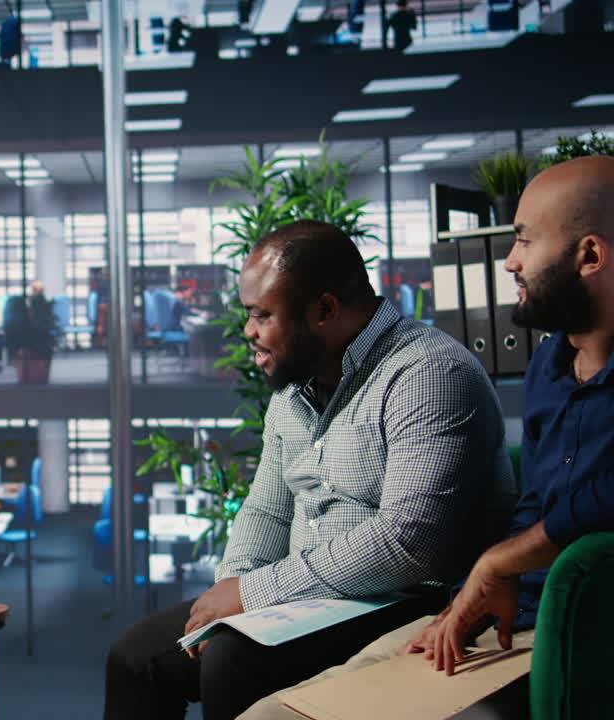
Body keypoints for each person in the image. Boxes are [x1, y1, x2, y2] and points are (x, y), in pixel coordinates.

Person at [236, 155, 614, 720]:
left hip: (578, 627)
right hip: (505, 613)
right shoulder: (548, 366)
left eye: (524, 241)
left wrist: (498, 564)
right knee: (269, 713)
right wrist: (482, 588)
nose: (508, 261)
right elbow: (538, 501)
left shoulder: (429, 372)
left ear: (589, 255)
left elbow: (602, 498)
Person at [104, 219, 516, 720]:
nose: (248, 332)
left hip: (404, 600)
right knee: (135, 659)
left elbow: (410, 544)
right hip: (305, 602)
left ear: (324, 309)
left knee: (235, 662)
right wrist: (230, 591)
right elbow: (266, 511)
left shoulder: (429, 374)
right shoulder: (294, 391)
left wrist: (255, 594)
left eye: (262, 315)